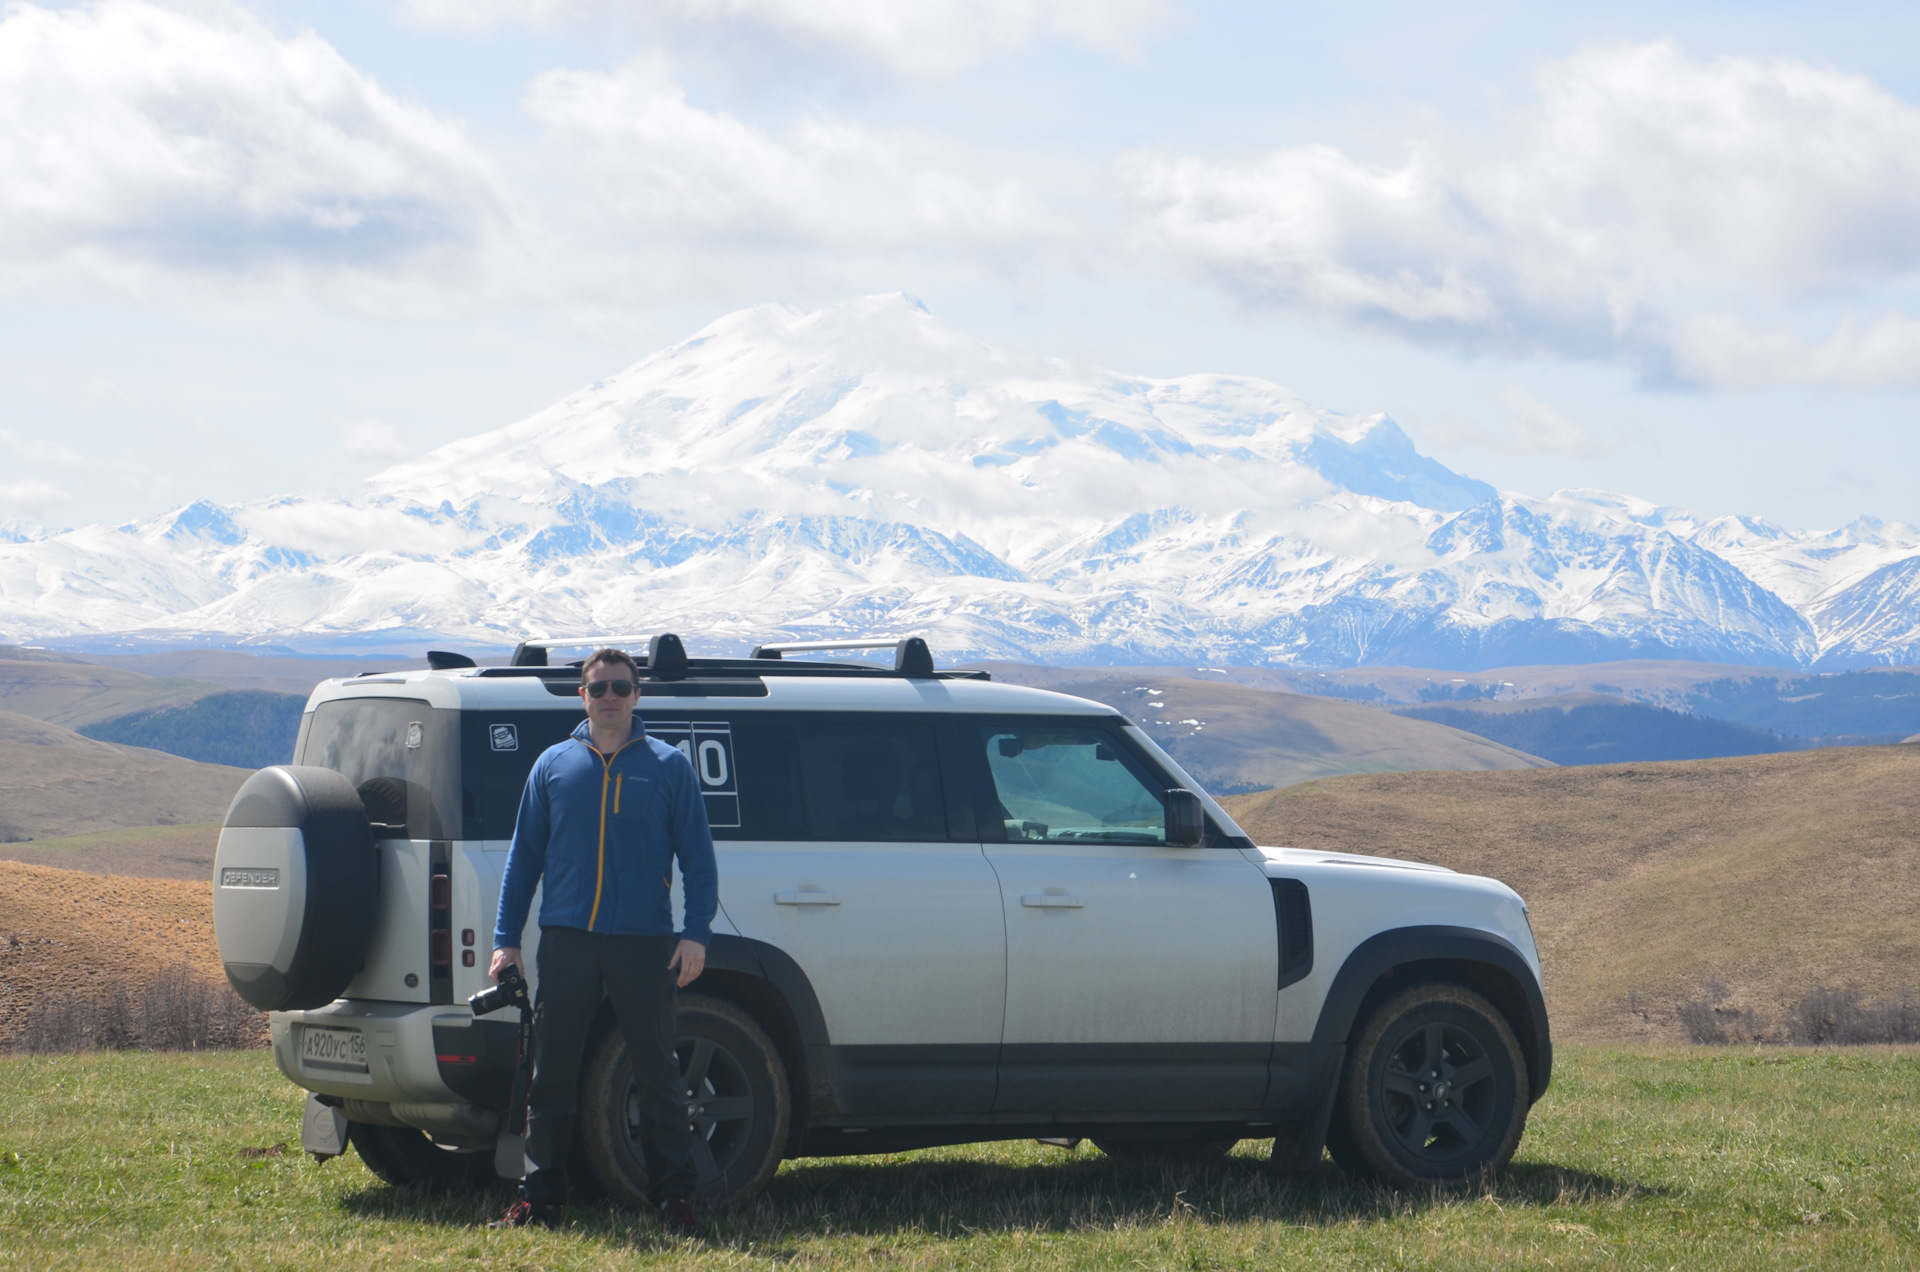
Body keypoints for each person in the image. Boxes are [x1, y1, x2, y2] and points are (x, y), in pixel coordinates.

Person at [486, 647, 718, 1237]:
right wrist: (505, 940)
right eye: (598, 688)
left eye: (620, 687)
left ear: (637, 695)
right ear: (581, 696)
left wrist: (695, 934)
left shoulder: (669, 767)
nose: (609, 697)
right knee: (551, 1074)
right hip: (568, 940)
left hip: (644, 944)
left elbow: (698, 857)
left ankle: (675, 1200)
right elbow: (522, 861)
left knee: (659, 1073)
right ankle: (541, 1199)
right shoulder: (553, 766)